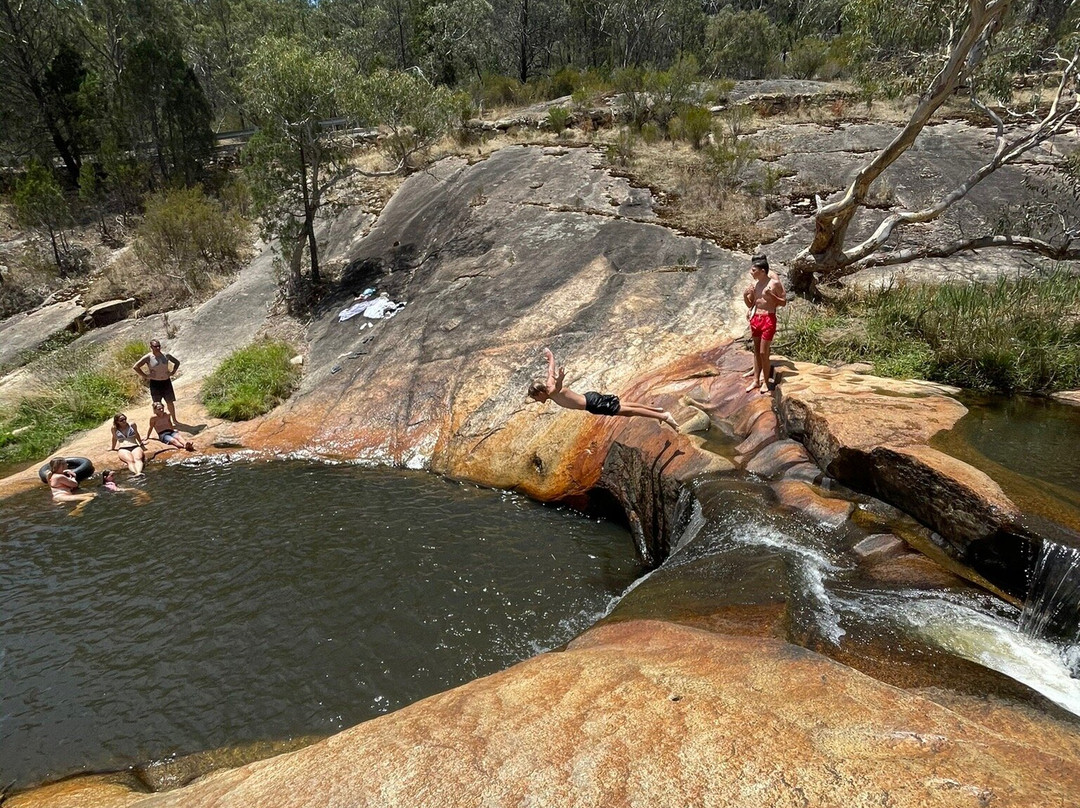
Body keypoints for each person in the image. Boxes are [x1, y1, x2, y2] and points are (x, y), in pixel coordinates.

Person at [527, 347, 679, 430]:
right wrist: (550, 356)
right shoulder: (548, 383)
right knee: (624, 407)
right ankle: (657, 411)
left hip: (592, 404)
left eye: (535, 397)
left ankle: (664, 416)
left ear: (540, 392)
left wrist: (560, 379)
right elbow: (550, 370)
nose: (535, 400)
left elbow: (558, 386)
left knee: (628, 411)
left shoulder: (552, 391)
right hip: (589, 399)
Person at [742, 253, 787, 394]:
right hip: (756, 318)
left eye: (753, 270)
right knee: (756, 352)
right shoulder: (755, 284)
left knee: (763, 352)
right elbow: (751, 303)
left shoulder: (774, 282)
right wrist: (745, 295)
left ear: (762, 270)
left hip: (768, 317)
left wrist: (771, 296)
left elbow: (783, 302)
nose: (751, 272)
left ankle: (766, 382)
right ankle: (756, 380)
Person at [134, 339, 181, 421]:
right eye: (155, 346)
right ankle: (160, 421)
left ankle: (174, 420)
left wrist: (172, 372)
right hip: (155, 383)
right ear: (151, 347)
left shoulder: (166, 355)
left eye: (159, 346)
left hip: (166, 382)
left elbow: (177, 362)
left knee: (170, 402)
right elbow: (136, 367)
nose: (158, 348)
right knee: (157, 404)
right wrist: (146, 376)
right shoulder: (148, 357)